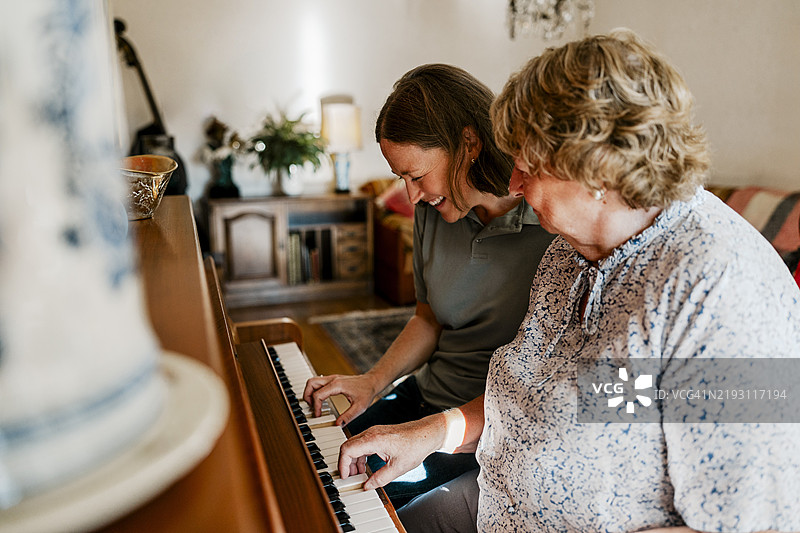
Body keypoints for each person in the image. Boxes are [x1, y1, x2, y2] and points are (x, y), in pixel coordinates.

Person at [337, 30, 800, 533]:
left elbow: (752, 523)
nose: (512, 185)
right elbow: (559, 398)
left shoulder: (720, 290)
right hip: (496, 500)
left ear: (597, 172)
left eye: (527, 167)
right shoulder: (571, 252)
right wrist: (430, 434)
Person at [303, 64, 554, 508]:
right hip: (426, 394)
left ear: (469, 144)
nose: (411, 195)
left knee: (360, 506)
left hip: (480, 424)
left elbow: (579, 388)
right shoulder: (431, 213)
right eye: (401, 177)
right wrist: (373, 381)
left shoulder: (555, 225)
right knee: (314, 470)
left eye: (417, 176)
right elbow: (428, 317)